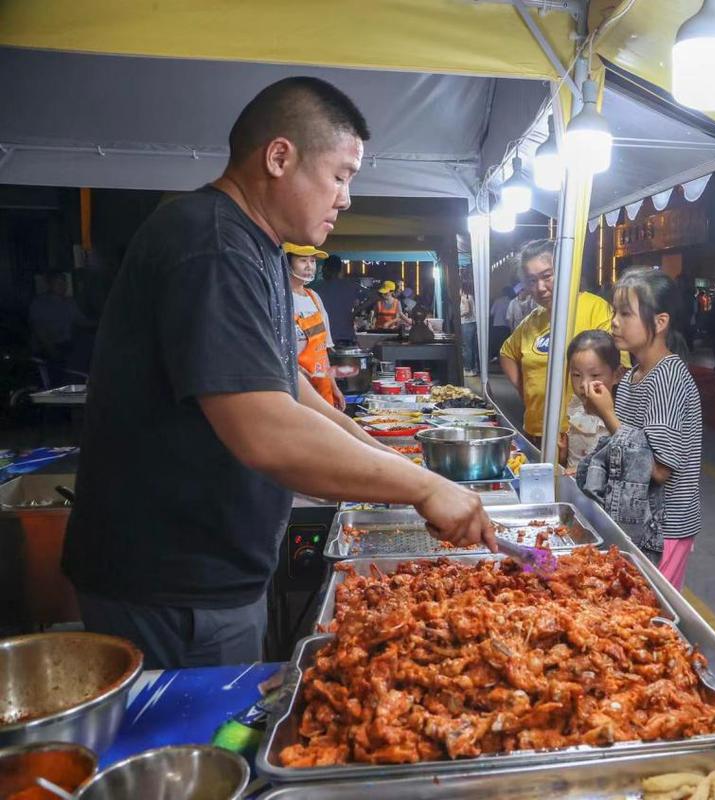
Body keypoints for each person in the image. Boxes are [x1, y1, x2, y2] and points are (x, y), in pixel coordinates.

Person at [61, 76, 493, 671]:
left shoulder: (253, 247)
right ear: (280, 157)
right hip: (169, 585)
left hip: (209, 571)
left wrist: (392, 461)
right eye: (340, 175)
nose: (346, 198)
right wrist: (422, 487)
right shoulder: (211, 246)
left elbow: (284, 383)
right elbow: (265, 429)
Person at [585, 268, 702, 588]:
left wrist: (607, 414)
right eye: (614, 312)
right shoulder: (634, 375)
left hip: (665, 528)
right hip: (639, 521)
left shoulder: (667, 378)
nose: (614, 323)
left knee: (655, 612)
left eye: (625, 314)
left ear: (660, 322)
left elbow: (660, 468)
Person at [499, 240, 618, 441]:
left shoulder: (595, 309)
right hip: (536, 430)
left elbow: (616, 368)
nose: (540, 287)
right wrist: (525, 392)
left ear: (565, 270)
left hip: (582, 432)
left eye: (547, 276)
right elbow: (507, 353)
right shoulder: (532, 321)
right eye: (531, 281)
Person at [286, 243, 344, 410]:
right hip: (296, 385)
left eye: (312, 261)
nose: (309, 266)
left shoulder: (314, 297)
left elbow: (322, 351)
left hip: (321, 384)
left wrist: (334, 387)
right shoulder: (280, 298)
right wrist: (300, 374)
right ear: (286, 262)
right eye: (303, 260)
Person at [561, 329, 621, 473]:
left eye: (594, 375)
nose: (583, 383)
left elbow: (624, 462)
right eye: (576, 375)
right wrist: (562, 455)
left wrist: (583, 471)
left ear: (617, 375)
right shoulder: (575, 405)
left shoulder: (620, 414)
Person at [28, 273, 79, 365]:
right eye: (58, 283)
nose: (62, 286)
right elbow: (39, 330)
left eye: (64, 283)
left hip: (68, 347)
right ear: (49, 285)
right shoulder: (39, 303)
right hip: (45, 350)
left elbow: (81, 320)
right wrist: (52, 352)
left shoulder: (70, 302)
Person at [313, 254, 363, 344]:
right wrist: (355, 312)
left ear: (325, 269)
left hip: (326, 338)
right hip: (346, 338)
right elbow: (374, 296)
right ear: (340, 269)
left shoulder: (317, 289)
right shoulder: (351, 286)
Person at [488, 287, 513, 362]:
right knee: (504, 345)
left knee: (496, 343)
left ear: (503, 293)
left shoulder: (497, 301)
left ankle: (495, 359)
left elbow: (491, 313)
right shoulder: (511, 302)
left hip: (496, 325)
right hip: (506, 326)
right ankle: (502, 360)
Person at [460, 286, 479, 376]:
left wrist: (458, 315)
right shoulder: (469, 296)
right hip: (472, 323)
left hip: (467, 323)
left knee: (466, 347)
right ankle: (473, 369)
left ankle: (467, 369)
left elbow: (467, 310)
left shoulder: (464, 298)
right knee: (471, 347)